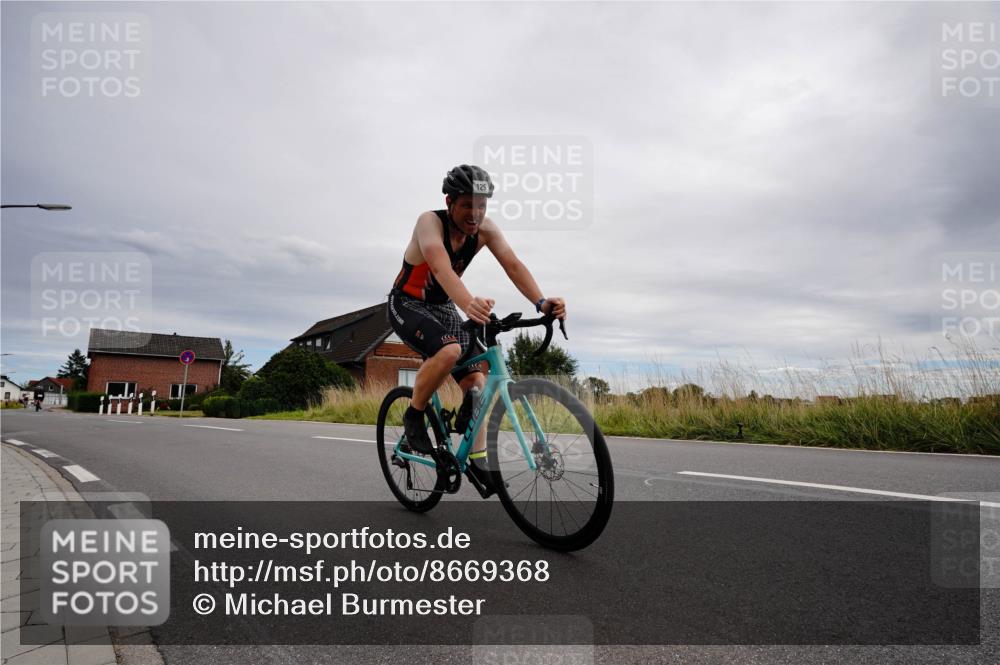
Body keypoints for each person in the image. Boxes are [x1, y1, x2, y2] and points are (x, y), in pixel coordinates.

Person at [387, 164, 567, 494]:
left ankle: (477, 457)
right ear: (450, 201)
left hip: (442, 305)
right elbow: (438, 265)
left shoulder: (485, 229)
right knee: (449, 349)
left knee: (477, 378)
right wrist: (469, 302)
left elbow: (513, 264)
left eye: (482, 205)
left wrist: (541, 303)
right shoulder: (429, 222)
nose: (475, 213)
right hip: (408, 303)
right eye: (467, 204)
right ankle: (414, 416)